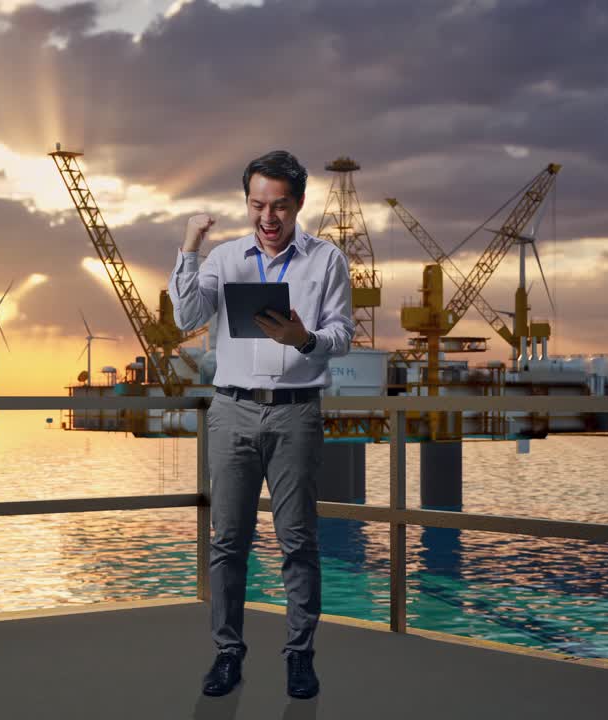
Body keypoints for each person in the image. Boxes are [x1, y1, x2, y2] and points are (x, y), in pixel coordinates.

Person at [169, 150, 353, 699]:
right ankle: (228, 654)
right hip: (231, 411)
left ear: (298, 204)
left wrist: (304, 338)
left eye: (279, 207)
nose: (267, 218)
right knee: (228, 540)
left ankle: (300, 657)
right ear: (246, 202)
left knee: (298, 540)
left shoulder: (326, 261)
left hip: (297, 411)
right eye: (256, 205)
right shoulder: (225, 260)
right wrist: (190, 246)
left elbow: (342, 334)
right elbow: (185, 318)